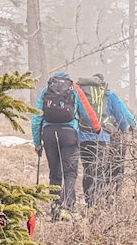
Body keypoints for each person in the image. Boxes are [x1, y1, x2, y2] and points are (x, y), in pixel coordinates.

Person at [31, 72, 100, 221]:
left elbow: (36, 117)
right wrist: (97, 128)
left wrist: (37, 143)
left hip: (49, 134)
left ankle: (55, 208)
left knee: (54, 174)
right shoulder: (74, 89)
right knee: (70, 173)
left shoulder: (46, 91)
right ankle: (67, 208)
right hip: (69, 134)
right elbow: (87, 111)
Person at [76, 74, 137, 206]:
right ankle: (100, 202)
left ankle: (90, 202)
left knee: (88, 169)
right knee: (100, 170)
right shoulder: (108, 95)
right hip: (102, 137)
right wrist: (124, 129)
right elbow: (121, 115)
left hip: (83, 138)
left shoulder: (80, 94)